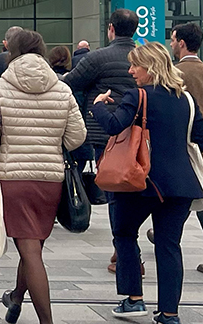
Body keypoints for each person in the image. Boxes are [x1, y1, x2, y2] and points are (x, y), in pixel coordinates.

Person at [91, 42, 203, 324]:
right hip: (179, 185)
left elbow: (114, 125)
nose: (131, 71)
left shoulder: (137, 95)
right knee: (169, 246)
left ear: (150, 67)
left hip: (140, 181)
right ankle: (169, 313)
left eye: (135, 66)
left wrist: (98, 106)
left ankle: (133, 299)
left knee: (125, 234)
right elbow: (199, 136)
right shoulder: (186, 99)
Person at [0, 30, 86, 324]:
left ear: (11, 52)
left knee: (30, 250)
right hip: (50, 179)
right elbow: (77, 136)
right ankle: (15, 298)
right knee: (33, 246)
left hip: (14, 177)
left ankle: (46, 321)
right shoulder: (62, 88)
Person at [63, 9, 139, 273]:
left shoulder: (98, 57)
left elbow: (70, 82)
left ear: (110, 29)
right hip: (141, 133)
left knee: (114, 191)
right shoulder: (143, 57)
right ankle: (128, 246)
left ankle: (124, 248)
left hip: (105, 133)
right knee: (136, 189)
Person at [169, 22, 203, 275]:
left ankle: (164, 235)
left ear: (181, 43)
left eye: (172, 40)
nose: (171, 44)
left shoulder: (175, 73)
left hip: (184, 145)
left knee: (182, 196)